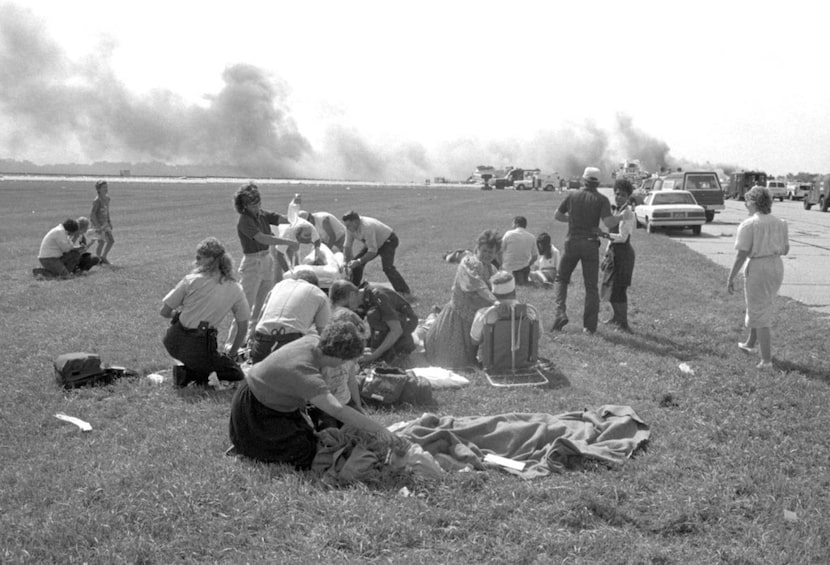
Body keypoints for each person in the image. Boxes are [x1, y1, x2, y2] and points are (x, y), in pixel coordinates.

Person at [227, 320, 403, 467]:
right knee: (304, 455)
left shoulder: (313, 341)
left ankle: (250, 444)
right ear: (339, 358)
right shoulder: (305, 373)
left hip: (264, 400)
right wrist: (380, 429)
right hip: (255, 411)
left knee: (312, 439)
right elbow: (337, 410)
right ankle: (248, 447)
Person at [160, 237, 250, 386]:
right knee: (235, 372)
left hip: (172, 342)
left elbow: (164, 311)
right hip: (199, 348)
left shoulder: (190, 280)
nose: (195, 261)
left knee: (207, 361)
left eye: (198, 257)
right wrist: (232, 353)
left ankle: (188, 370)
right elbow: (243, 326)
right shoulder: (235, 289)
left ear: (211, 259)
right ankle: (190, 374)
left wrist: (178, 315)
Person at [226, 182, 299, 351]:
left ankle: (250, 342)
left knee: (262, 305)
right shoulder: (245, 221)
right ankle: (232, 346)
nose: (258, 206)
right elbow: (262, 238)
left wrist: (295, 209)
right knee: (245, 306)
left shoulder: (262, 214)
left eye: (259, 202)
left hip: (266, 260)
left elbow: (285, 219)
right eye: (253, 204)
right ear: (244, 206)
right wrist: (287, 242)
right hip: (253, 263)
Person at [551, 166, 622, 334]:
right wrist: (622, 216)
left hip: (572, 242)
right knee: (591, 287)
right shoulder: (601, 199)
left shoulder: (572, 195)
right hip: (590, 244)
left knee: (561, 279)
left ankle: (560, 313)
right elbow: (610, 223)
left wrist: (573, 219)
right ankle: (589, 327)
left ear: (583, 180)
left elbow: (558, 215)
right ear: (597, 182)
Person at [727, 185, 789, 370]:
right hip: (776, 265)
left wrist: (730, 277)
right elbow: (786, 249)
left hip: (759, 267)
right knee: (761, 304)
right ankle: (750, 342)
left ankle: (766, 360)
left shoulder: (749, 224)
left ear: (753, 203)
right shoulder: (780, 222)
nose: (746, 205)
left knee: (760, 311)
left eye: (747, 202)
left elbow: (741, 254)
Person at [425, 229, 500, 369]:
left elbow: (498, 288)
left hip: (476, 317)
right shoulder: (469, 263)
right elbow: (476, 284)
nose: (487, 255)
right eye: (484, 251)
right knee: (452, 361)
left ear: (496, 254)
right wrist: (495, 301)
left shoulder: (492, 268)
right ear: (477, 249)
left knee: (471, 352)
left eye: (491, 252)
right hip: (458, 316)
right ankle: (432, 319)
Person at [248, 268, 331, 364]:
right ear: (316, 284)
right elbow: (323, 332)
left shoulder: (278, 286)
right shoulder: (318, 293)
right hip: (291, 339)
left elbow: (261, 316)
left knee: (259, 376)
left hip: (262, 337)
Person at [470, 271, 540, 361]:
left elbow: (474, 341)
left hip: (491, 361)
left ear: (493, 294)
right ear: (514, 291)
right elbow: (537, 335)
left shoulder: (485, 314)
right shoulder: (530, 312)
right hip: (524, 360)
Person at [342, 210, 412, 299]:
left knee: (388, 267)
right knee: (356, 266)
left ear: (355, 222)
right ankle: (355, 290)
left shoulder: (367, 227)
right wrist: (346, 262)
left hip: (388, 241)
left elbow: (372, 251)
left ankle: (404, 292)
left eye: (349, 226)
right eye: (346, 226)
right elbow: (347, 246)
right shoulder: (349, 228)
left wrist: (359, 261)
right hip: (374, 244)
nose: (347, 228)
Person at [600, 179, 637, 332]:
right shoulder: (617, 211)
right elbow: (612, 237)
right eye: (616, 194)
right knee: (610, 288)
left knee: (619, 289)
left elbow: (622, 237)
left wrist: (603, 235)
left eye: (622, 195)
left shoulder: (627, 213)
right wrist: (605, 256)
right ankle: (616, 317)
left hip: (624, 254)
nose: (618, 197)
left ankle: (623, 323)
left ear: (628, 196)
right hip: (614, 253)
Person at [358, 282, 419, 367]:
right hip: (396, 326)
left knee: (373, 314)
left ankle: (400, 347)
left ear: (351, 295)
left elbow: (396, 330)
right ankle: (384, 347)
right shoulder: (366, 295)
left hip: (403, 326)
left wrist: (375, 354)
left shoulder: (378, 297)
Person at [500, 216, 538, 286]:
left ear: (516, 224)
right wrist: (527, 264)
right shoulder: (531, 237)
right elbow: (535, 257)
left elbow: (500, 250)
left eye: (513, 224)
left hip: (509, 268)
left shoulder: (508, 234)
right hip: (524, 269)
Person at [90, 180, 114, 265]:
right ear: (98, 189)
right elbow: (93, 214)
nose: (106, 189)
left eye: (106, 187)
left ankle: (103, 257)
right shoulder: (97, 200)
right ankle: (98, 259)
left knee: (111, 241)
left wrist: (109, 221)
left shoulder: (107, 199)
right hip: (98, 225)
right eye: (104, 187)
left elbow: (107, 211)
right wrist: (97, 226)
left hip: (105, 224)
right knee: (101, 242)